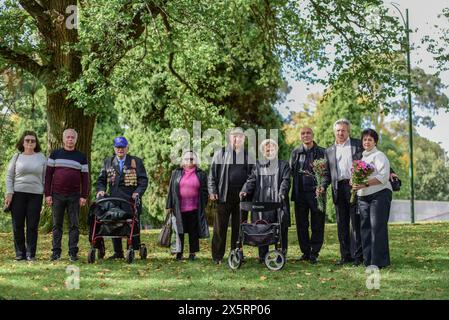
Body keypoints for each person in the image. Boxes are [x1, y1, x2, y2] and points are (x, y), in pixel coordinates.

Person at [96, 136, 148, 259]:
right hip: (113, 199)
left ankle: (133, 248)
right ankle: (117, 252)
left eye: (123, 147)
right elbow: (101, 180)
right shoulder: (108, 161)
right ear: (114, 148)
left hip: (130, 198)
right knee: (114, 223)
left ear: (127, 148)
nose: (120, 150)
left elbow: (143, 181)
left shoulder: (136, 161)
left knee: (132, 223)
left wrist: (138, 192)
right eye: (118, 147)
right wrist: (101, 190)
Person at [208, 127, 255, 264]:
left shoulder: (248, 155)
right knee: (220, 228)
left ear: (243, 139)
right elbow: (212, 174)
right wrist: (212, 191)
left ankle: (237, 254)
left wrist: (246, 189)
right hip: (223, 195)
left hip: (242, 197)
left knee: (239, 227)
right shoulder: (220, 153)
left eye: (239, 136)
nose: (236, 139)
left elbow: (253, 175)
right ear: (230, 138)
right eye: (234, 136)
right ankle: (217, 256)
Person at [240, 139, 290, 262]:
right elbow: (251, 180)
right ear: (263, 152)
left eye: (272, 149)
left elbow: (286, 180)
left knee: (280, 227)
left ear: (276, 150)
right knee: (261, 228)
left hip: (278, 200)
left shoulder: (283, 165)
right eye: (267, 150)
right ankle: (262, 256)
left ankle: (280, 255)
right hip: (260, 201)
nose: (270, 151)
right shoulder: (258, 165)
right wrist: (245, 190)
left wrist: (282, 192)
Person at [323, 119, 364, 266]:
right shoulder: (328, 150)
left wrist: (390, 172)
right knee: (342, 224)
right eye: (338, 130)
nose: (340, 133)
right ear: (334, 131)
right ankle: (345, 256)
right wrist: (322, 185)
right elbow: (327, 173)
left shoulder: (357, 145)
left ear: (348, 131)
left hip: (354, 187)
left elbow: (371, 158)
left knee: (356, 222)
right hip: (338, 189)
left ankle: (358, 256)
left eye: (343, 130)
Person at [45, 128, 89, 262]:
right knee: (56, 225)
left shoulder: (81, 157)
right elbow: (48, 176)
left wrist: (84, 196)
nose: (70, 139)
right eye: (68, 137)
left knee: (74, 225)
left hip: (74, 196)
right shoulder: (55, 154)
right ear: (63, 139)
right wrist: (47, 194)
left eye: (72, 137)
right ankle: (56, 253)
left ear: (76, 140)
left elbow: (85, 178)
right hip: (57, 194)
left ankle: (73, 253)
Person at [351, 129, 393, 268]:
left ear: (375, 142)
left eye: (370, 139)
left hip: (379, 194)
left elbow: (383, 176)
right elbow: (356, 176)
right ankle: (368, 260)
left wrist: (365, 183)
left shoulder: (379, 155)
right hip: (363, 196)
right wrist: (353, 182)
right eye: (364, 139)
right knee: (365, 228)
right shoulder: (361, 158)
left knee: (377, 227)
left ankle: (379, 262)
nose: (367, 142)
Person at [5, 131, 46, 261]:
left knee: (32, 225)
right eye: (27, 140)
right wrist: (9, 193)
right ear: (22, 142)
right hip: (18, 194)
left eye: (32, 141)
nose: (29, 143)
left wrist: (46, 196)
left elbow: (45, 178)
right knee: (17, 224)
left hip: (36, 195)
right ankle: (20, 253)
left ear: (36, 143)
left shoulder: (41, 157)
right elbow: (9, 177)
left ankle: (30, 253)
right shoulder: (16, 157)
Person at [290, 127, 326, 264]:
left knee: (317, 223)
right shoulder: (296, 152)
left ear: (313, 135)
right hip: (300, 194)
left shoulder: (322, 152)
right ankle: (305, 252)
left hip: (317, 194)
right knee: (301, 224)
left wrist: (322, 186)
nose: (306, 135)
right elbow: (291, 171)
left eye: (308, 133)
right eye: (303, 133)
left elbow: (326, 172)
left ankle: (314, 253)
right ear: (300, 136)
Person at [166, 151, 209, 261]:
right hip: (179, 208)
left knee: (193, 232)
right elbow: (171, 190)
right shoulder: (176, 172)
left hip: (195, 208)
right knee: (179, 231)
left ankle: (192, 253)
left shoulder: (201, 174)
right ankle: (179, 253)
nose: (189, 161)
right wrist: (169, 206)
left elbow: (205, 190)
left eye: (191, 158)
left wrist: (203, 203)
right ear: (182, 160)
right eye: (186, 159)